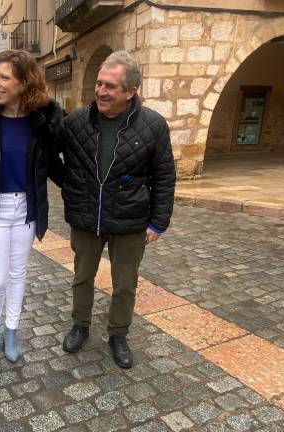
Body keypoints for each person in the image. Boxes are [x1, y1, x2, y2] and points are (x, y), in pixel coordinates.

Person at [59, 50, 176, 368]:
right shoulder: (75, 122)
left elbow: (164, 175)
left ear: (130, 91)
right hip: (86, 218)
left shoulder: (153, 125)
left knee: (125, 283)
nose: (100, 91)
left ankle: (118, 334)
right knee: (82, 277)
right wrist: (72, 189)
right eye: (98, 83)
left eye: (110, 86)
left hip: (130, 221)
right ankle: (79, 325)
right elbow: (49, 157)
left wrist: (159, 221)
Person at [0, 50, 63, 362]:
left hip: (26, 209)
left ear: (24, 82)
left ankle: (12, 330)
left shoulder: (40, 122)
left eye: (4, 77)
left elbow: (53, 166)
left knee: (18, 274)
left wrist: (80, 190)